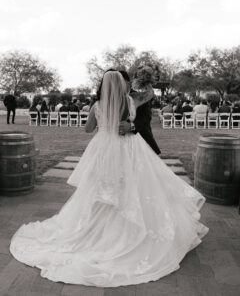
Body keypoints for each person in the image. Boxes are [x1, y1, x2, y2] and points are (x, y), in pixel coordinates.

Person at [10, 71, 208, 287]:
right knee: (129, 186)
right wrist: (146, 80)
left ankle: (97, 229)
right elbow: (149, 95)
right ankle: (126, 230)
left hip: (103, 149)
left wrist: (100, 123)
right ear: (122, 84)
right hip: (128, 149)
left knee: (100, 188)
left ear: (104, 85)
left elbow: (87, 129)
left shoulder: (97, 105)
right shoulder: (130, 101)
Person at [118, 70, 161, 155]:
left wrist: (131, 126)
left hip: (140, 142)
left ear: (127, 82)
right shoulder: (104, 100)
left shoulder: (138, 97)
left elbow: (145, 119)